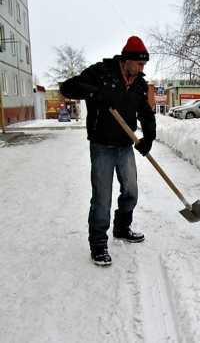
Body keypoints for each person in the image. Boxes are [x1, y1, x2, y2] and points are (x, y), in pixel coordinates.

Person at [60, 36, 156, 266]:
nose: (142, 69)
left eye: (144, 65)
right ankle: (98, 244)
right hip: (102, 145)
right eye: (140, 64)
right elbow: (68, 87)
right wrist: (94, 93)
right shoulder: (101, 72)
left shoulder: (139, 84)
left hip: (125, 146)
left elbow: (145, 113)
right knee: (102, 198)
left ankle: (122, 227)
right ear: (127, 60)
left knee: (131, 192)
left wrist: (148, 138)